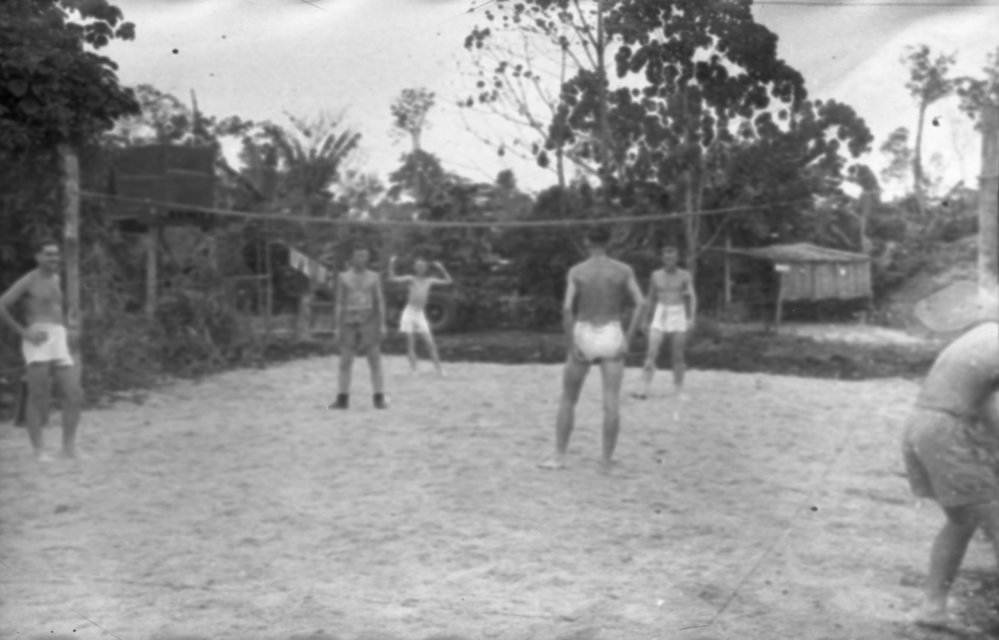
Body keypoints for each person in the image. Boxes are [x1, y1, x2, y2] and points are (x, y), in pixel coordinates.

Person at [901, 307, 999, 631]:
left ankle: (933, 608)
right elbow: (994, 412)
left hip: (922, 424)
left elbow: (984, 401)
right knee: (994, 518)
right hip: (948, 428)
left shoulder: (983, 334)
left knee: (963, 520)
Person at [539, 226, 644, 471]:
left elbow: (567, 309)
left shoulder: (577, 271)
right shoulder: (622, 270)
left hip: (585, 329)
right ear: (609, 242)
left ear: (587, 242)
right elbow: (641, 303)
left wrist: (570, 343)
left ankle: (559, 457)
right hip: (611, 331)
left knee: (568, 398)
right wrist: (628, 337)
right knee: (611, 402)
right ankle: (606, 461)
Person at [0, 238, 83, 461]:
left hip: (59, 337)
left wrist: (68, 329)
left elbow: (62, 304)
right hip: (37, 338)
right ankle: (39, 450)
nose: (54, 258)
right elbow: (1, 305)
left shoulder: (57, 278)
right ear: (38, 257)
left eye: (56, 254)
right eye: (48, 254)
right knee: (38, 395)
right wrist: (24, 332)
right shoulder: (28, 280)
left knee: (74, 394)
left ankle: (69, 448)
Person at [634, 245, 697, 400]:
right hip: (661, 311)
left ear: (677, 258)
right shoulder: (655, 275)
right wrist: (644, 319)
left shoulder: (684, 275)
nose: (670, 261)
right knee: (651, 352)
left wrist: (691, 317)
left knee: (678, 355)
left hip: (678, 312)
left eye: (673, 257)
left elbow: (692, 296)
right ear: (663, 258)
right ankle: (644, 388)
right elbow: (650, 298)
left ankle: (679, 390)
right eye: (667, 258)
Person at [329, 245, 388, 410]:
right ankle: (342, 398)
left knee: (375, 360)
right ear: (352, 258)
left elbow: (379, 300)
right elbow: (340, 302)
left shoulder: (374, 277)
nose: (361, 259)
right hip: (349, 320)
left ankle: (379, 398)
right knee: (345, 361)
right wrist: (336, 326)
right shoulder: (343, 277)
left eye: (364, 256)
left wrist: (382, 324)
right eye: (358, 256)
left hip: (369, 320)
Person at [387, 254, 453, 376]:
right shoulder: (411, 279)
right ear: (415, 268)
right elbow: (392, 278)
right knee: (411, 343)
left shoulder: (429, 280)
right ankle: (414, 370)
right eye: (418, 266)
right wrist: (391, 263)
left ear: (425, 268)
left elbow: (449, 281)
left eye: (422, 266)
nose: (420, 268)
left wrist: (441, 268)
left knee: (430, 343)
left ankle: (439, 370)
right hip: (409, 312)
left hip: (420, 313)